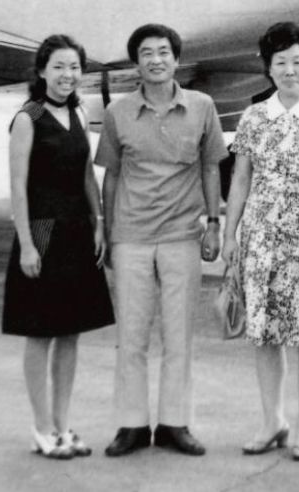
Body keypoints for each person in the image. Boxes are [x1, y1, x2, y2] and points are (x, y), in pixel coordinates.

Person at [96, 23, 227, 458]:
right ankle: (131, 425)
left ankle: (175, 424)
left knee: (178, 335)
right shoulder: (117, 112)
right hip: (131, 237)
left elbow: (211, 167)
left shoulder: (202, 106)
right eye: (147, 53)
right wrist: (109, 232)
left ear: (176, 59)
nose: (156, 59)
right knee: (131, 337)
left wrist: (214, 223)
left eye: (164, 52)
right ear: (136, 63)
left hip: (182, 235)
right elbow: (112, 175)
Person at [222, 22, 299, 462]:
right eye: (280, 62)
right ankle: (273, 420)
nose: (289, 70)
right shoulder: (253, 117)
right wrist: (230, 234)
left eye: (297, 62)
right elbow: (241, 179)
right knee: (265, 333)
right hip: (260, 238)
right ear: (268, 69)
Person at [2, 34, 115, 459]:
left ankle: (63, 426)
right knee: (40, 334)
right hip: (42, 234)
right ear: (41, 71)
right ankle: (42, 428)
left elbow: (86, 175)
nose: (68, 75)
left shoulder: (79, 113)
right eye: (59, 67)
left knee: (70, 334)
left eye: (74, 67)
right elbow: (17, 187)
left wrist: (98, 223)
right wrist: (27, 245)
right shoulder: (26, 118)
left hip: (77, 233)